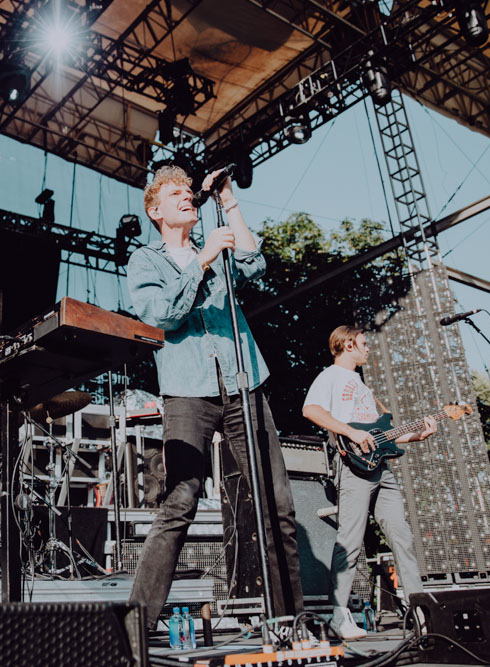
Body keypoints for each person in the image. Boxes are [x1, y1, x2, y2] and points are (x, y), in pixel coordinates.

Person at [126, 165, 304, 629]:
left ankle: (290, 622)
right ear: (155, 209)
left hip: (244, 384)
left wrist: (228, 200)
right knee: (179, 502)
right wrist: (200, 260)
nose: (186, 195)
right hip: (187, 392)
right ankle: (134, 630)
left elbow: (255, 265)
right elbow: (160, 314)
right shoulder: (146, 259)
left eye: (189, 190)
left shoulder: (219, 244)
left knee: (277, 505)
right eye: (174, 193)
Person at [302, 325, 436, 640]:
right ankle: (339, 614)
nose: (368, 348)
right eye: (364, 343)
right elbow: (310, 409)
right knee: (349, 539)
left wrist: (418, 434)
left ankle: (418, 611)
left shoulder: (361, 384)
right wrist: (350, 433)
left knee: (401, 536)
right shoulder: (330, 376)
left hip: (382, 468)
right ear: (348, 344)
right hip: (354, 468)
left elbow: (380, 436)